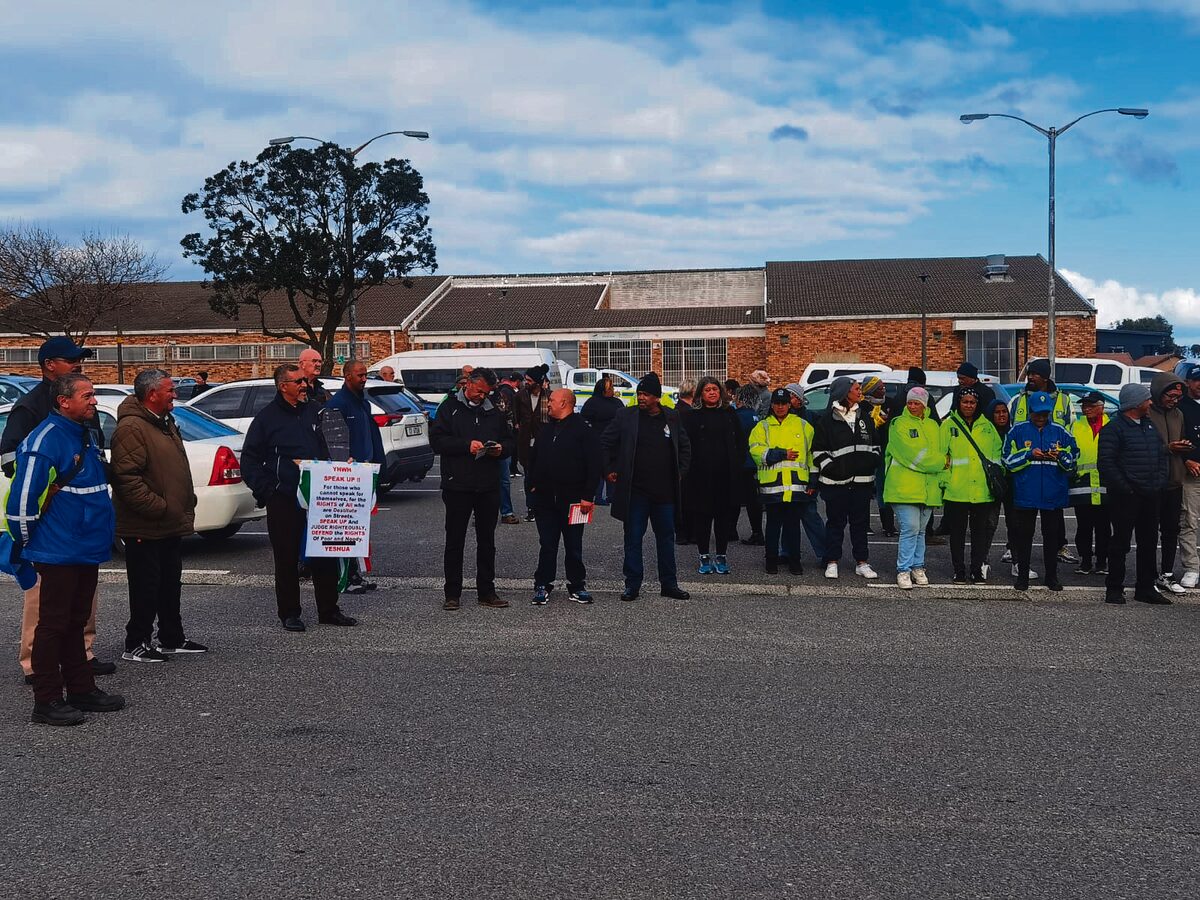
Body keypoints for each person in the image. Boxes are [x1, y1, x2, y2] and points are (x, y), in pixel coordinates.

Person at [5, 374, 125, 725]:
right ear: (63, 402)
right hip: (57, 549)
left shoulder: (82, 435)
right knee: (53, 625)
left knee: (75, 620)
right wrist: (29, 545)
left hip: (84, 547)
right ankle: (46, 700)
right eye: (87, 396)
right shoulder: (45, 441)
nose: (94, 402)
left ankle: (81, 689)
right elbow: (22, 504)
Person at [1, 336, 113, 684]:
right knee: (45, 605)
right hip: (49, 526)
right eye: (71, 359)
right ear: (50, 364)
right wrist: (41, 496)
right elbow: (10, 457)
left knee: (79, 606)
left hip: (81, 530)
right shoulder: (32, 406)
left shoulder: (82, 407)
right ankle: (37, 666)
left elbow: (93, 450)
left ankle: (81, 654)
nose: (78, 363)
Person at [241, 364, 356, 630]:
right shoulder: (266, 419)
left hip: (321, 497)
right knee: (286, 557)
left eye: (305, 381)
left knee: (325, 552)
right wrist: (268, 490)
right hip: (285, 498)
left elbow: (332, 447)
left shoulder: (316, 412)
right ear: (284, 386)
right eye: (299, 382)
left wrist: (342, 464)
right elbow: (249, 461)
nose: (305, 385)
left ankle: (329, 609)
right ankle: (290, 612)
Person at [112, 369, 206, 663]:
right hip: (145, 524)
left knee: (169, 583)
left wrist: (183, 501)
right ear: (152, 394)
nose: (175, 395)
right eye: (169, 390)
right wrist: (160, 507)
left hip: (168, 523)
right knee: (145, 585)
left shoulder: (165, 422)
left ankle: (171, 637)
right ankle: (136, 642)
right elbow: (127, 478)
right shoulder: (132, 428)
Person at [428, 367, 515, 611]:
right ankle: (452, 593)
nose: (482, 397)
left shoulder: (494, 410)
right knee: (455, 540)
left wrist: (501, 449)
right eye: (479, 391)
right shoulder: (449, 408)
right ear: (469, 384)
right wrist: (465, 445)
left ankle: (486, 591)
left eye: (486, 393)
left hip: (488, 484)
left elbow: (509, 440)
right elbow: (436, 440)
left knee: (487, 541)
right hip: (458, 485)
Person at [600, 372, 691, 602]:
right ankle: (632, 585)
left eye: (646, 394)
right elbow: (605, 442)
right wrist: (609, 467)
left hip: (665, 493)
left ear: (657, 397)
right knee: (633, 538)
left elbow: (685, 447)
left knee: (666, 539)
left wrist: (680, 472)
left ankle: (669, 584)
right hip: (635, 492)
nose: (641, 398)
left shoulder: (672, 417)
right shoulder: (625, 416)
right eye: (639, 393)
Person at [528, 389, 602, 605]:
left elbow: (594, 464)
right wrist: (532, 484)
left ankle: (577, 585)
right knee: (547, 544)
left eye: (551, 400)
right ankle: (543, 584)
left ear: (564, 403)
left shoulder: (583, 430)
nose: (548, 404)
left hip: (575, 501)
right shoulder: (546, 429)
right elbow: (533, 459)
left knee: (573, 545)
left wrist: (588, 496)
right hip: (545, 500)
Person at [1098, 384, 1169, 604]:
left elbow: (1161, 456)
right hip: (1125, 497)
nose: (1150, 403)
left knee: (1148, 542)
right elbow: (1106, 464)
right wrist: (1126, 488)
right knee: (1120, 543)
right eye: (1147, 400)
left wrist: (1159, 482)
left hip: (1150, 494)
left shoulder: (1149, 426)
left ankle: (1145, 588)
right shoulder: (1114, 428)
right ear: (1136, 403)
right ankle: (1114, 588)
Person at [1002, 391, 1078, 591]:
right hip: (1026, 493)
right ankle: (1023, 577)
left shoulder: (1061, 432)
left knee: (1051, 538)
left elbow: (1073, 458)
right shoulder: (1017, 431)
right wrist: (1028, 454)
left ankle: (1051, 577)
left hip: (1054, 494)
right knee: (1024, 537)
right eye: (1037, 413)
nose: (1041, 417)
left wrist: (1061, 456)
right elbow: (1007, 461)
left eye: (1045, 414)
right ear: (1030, 411)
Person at [326, 360, 386, 594]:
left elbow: (372, 436)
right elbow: (335, 443)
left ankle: (355, 573)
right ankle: (345, 576)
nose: (363, 379)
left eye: (365, 375)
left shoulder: (363, 402)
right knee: (347, 527)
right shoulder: (338, 404)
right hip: (348, 477)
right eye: (360, 375)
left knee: (359, 527)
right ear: (347, 376)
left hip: (366, 472)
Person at [749, 388, 824, 575]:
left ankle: (794, 561)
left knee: (793, 526)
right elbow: (756, 452)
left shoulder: (803, 425)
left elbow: (811, 456)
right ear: (772, 405)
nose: (780, 407)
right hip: (772, 488)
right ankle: (771, 560)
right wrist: (781, 454)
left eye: (783, 403)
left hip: (798, 486)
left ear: (789, 405)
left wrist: (813, 482)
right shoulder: (762, 427)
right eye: (777, 403)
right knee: (773, 526)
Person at [812, 377, 879, 580]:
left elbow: (875, 446)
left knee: (860, 524)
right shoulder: (826, 420)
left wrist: (870, 462)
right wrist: (834, 469)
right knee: (835, 524)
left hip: (862, 483)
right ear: (844, 392)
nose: (860, 392)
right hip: (835, 484)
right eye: (856, 388)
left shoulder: (865, 416)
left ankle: (862, 562)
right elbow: (818, 451)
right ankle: (832, 562)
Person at [1009, 359, 1074, 564]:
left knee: (1053, 519)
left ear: (1045, 377)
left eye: (1034, 374)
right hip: (1025, 469)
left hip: (1053, 469)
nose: (1030, 377)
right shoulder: (1019, 399)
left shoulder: (1063, 399)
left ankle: (1059, 549)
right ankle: (1014, 550)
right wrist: (1025, 454)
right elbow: (1011, 430)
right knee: (1021, 520)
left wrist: (1060, 454)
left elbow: (1070, 431)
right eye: (1029, 373)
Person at [883, 387, 945, 589]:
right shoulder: (898, 424)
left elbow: (937, 451)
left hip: (928, 488)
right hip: (903, 487)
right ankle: (903, 570)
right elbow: (911, 454)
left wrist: (938, 463)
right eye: (910, 402)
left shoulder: (933, 425)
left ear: (925, 405)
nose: (912, 406)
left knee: (920, 531)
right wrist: (940, 462)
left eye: (916, 403)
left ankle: (918, 567)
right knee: (910, 528)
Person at [940, 388, 1002, 584]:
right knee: (957, 535)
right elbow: (942, 456)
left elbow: (996, 456)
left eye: (972, 402)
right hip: (956, 489)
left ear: (977, 404)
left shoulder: (987, 426)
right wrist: (945, 482)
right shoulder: (948, 425)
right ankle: (959, 570)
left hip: (982, 490)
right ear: (959, 403)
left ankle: (976, 570)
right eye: (965, 401)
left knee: (979, 534)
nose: (968, 405)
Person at [682, 376, 743, 575]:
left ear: (721, 392)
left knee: (723, 518)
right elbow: (685, 446)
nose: (712, 393)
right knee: (703, 518)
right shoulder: (692, 416)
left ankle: (722, 555)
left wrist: (737, 464)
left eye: (715, 389)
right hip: (699, 476)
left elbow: (741, 442)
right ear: (701, 393)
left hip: (725, 475)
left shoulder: (729, 414)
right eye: (707, 389)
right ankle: (704, 556)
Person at [1145, 371, 1190, 596]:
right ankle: (1149, 575)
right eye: (1170, 395)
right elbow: (1141, 447)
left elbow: (1178, 440)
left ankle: (1167, 574)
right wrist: (1167, 448)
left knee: (1171, 530)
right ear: (1159, 392)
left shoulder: (1178, 414)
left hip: (1174, 480)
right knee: (1149, 531)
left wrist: (1183, 447)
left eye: (1178, 396)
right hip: (1152, 482)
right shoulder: (1146, 413)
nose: (1174, 400)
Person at [1068, 392, 1111, 576]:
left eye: (1091, 405)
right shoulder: (1076, 426)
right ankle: (1085, 561)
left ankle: (1102, 562)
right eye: (1084, 406)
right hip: (1082, 485)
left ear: (1101, 407)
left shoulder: (1112, 426)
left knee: (1103, 527)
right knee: (1084, 527)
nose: (1086, 409)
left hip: (1105, 484)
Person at [581, 375, 625, 506]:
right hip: (598, 440)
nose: (612, 389)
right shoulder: (592, 402)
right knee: (599, 469)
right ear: (602, 390)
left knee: (613, 468)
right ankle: (598, 496)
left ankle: (612, 495)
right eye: (609, 387)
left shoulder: (617, 402)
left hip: (615, 442)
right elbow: (584, 419)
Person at [516, 364, 551, 521]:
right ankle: (531, 508)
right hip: (525, 444)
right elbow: (514, 417)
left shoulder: (549, 396)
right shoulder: (520, 396)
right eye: (525, 379)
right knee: (529, 476)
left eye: (529, 380)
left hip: (544, 443)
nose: (526, 382)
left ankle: (543, 505)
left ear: (538, 381)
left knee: (544, 475)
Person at [1177, 366, 1200, 588]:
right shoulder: (1180, 408)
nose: (1199, 384)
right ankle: (1191, 567)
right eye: (1196, 380)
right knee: (1189, 521)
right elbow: (1174, 439)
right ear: (1188, 382)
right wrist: (1187, 460)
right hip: (1191, 474)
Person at [733, 384, 765, 545]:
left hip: (740, 462)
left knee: (733, 498)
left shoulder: (736, 416)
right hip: (754, 462)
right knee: (753, 499)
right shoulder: (756, 417)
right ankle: (757, 531)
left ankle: (731, 530)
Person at [493, 373, 522, 523]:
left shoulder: (501, 398)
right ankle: (479, 513)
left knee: (504, 480)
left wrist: (506, 444)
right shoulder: (476, 401)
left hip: (501, 445)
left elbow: (509, 419)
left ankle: (506, 512)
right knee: (482, 481)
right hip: (482, 445)